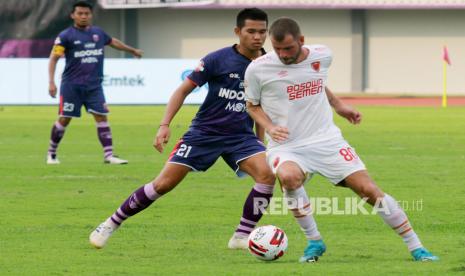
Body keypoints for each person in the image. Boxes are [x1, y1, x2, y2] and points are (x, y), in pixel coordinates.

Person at [244, 17, 438, 263]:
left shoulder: (323, 55)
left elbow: (317, 82)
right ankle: (314, 242)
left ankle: (417, 247)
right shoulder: (258, 68)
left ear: (302, 41)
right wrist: (270, 127)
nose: (282, 54)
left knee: (368, 190)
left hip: (327, 141)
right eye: (277, 48)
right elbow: (252, 106)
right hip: (288, 145)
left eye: (288, 48)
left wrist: (338, 106)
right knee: (289, 177)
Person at [89, 8, 276, 250]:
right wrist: (164, 125)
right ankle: (111, 223)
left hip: (240, 137)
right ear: (238, 32)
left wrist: (260, 139)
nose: (257, 37)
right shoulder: (217, 60)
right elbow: (182, 91)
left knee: (267, 175)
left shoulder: (268, 65)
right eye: (251, 31)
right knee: (162, 184)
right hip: (203, 134)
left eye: (262, 32)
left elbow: (258, 105)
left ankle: (241, 235)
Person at [46, 1, 142, 165]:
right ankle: (51, 154)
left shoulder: (98, 33)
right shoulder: (65, 36)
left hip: (94, 86)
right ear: (73, 15)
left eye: (86, 14)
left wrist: (132, 50)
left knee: (101, 116)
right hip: (71, 86)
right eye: (80, 13)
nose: (83, 16)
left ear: (91, 15)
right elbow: (54, 58)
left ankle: (109, 155)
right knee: (65, 118)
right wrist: (51, 82)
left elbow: (113, 42)